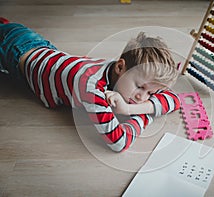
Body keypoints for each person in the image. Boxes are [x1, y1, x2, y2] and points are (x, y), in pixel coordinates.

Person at [0, 17, 181, 152]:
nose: (142, 98)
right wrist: (147, 114)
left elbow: (174, 99)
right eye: (140, 87)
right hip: (14, 51)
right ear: (120, 67)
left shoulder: (128, 74)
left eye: (151, 93)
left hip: (40, 47)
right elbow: (118, 142)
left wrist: (130, 109)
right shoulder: (92, 87)